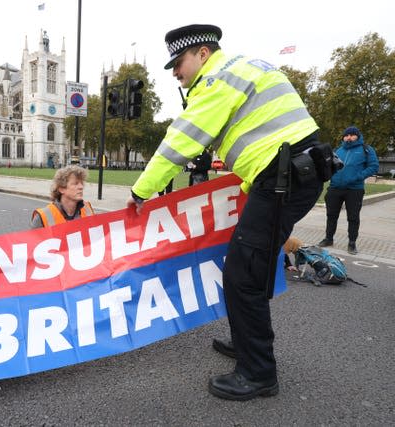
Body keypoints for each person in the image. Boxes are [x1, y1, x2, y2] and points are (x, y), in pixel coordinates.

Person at [126, 24, 326, 401]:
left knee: (242, 273)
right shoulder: (245, 66)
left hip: (282, 180)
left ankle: (258, 373)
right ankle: (245, 343)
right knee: (255, 265)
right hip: (290, 174)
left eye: (178, 62)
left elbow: (180, 142)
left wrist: (141, 191)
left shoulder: (217, 79)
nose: (175, 72)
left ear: (202, 53)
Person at [318, 126, 378, 254]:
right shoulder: (338, 150)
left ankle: (352, 243)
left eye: (352, 135)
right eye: (346, 135)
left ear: (357, 136)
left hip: (354, 189)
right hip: (335, 188)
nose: (348, 137)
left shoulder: (366, 149)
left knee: (353, 217)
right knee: (331, 216)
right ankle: (329, 239)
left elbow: (373, 166)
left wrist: (358, 177)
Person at [30, 165, 95, 228]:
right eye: (75, 183)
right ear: (61, 189)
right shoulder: (43, 217)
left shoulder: (87, 209)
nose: (81, 187)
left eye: (82, 183)